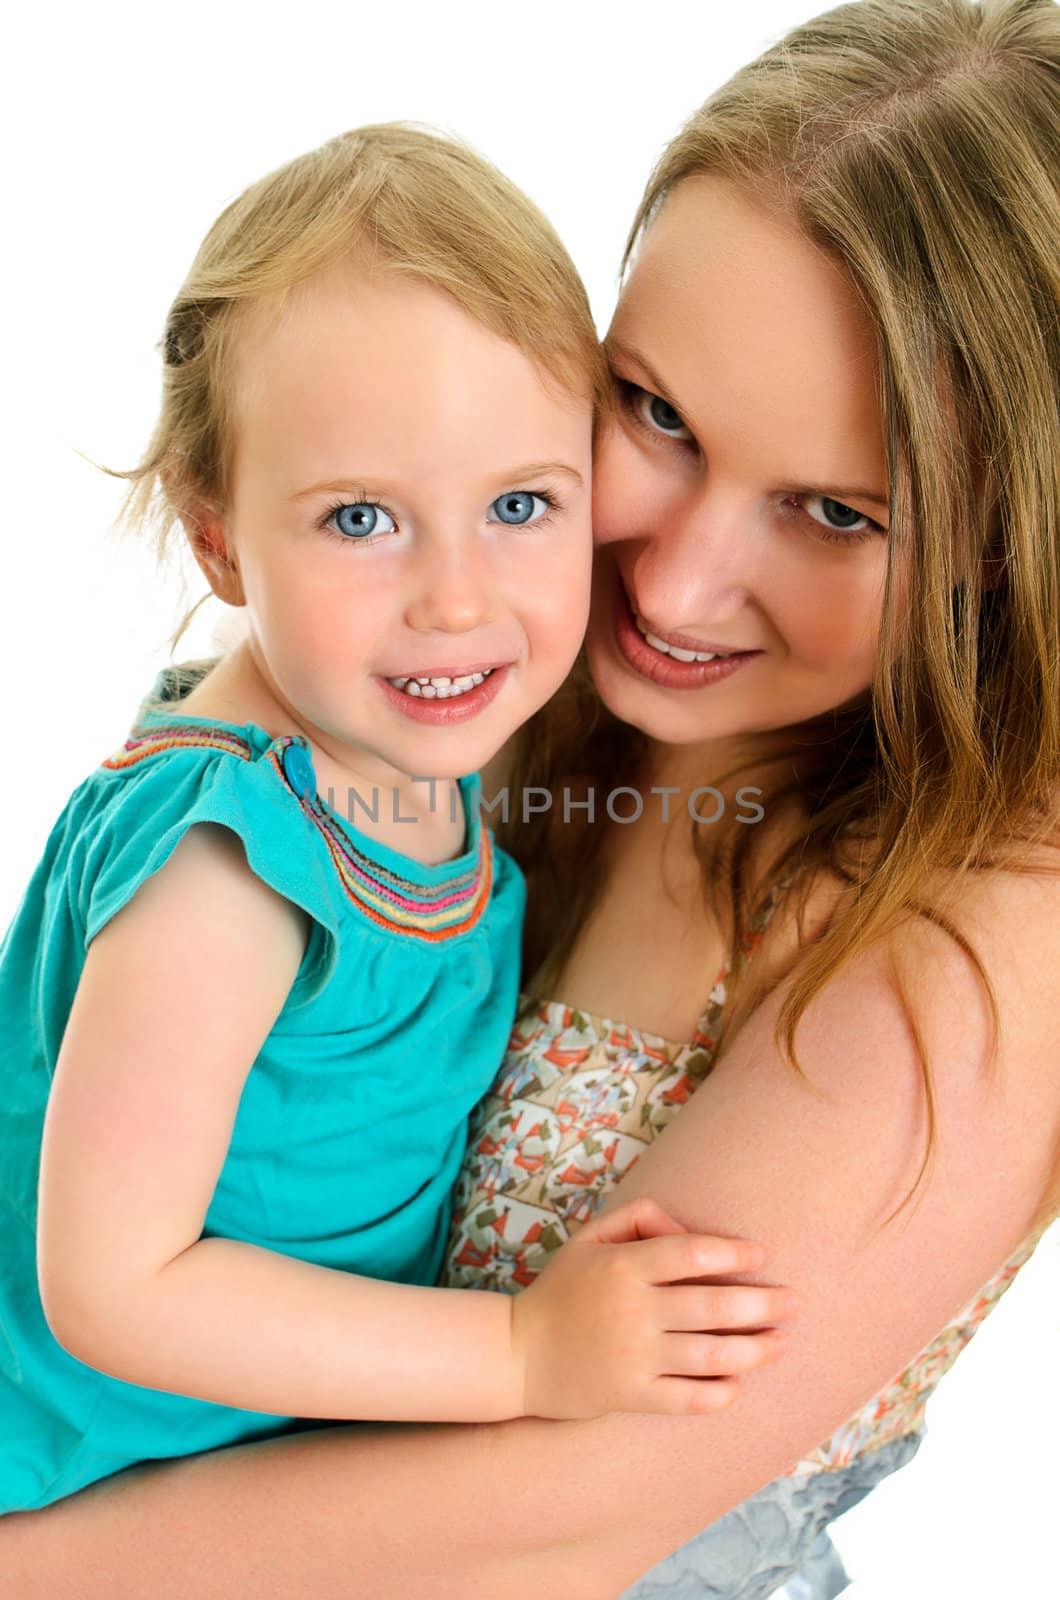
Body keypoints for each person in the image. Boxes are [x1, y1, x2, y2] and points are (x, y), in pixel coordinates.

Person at [3, 0, 1058, 1594]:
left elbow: (575, 1511)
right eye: (656, 415)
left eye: (838, 511)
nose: (684, 582)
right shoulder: (467, 708)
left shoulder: (986, 921)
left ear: (1007, 547)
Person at [0, 124, 797, 1519]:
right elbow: (113, 1289)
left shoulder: (429, 766)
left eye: (520, 505)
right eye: (361, 518)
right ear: (215, 537)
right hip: (71, 1479)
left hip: (249, 1473)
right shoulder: (222, 873)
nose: (455, 597)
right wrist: (523, 1350)